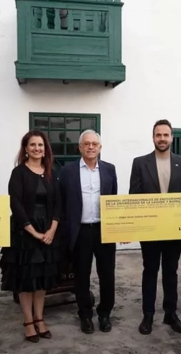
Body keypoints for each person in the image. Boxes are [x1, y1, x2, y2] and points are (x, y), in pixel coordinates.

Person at [129, 119, 181, 335]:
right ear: (153, 137)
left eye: (166, 135)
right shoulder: (140, 163)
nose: (162, 139)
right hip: (150, 230)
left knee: (171, 272)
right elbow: (134, 197)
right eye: (158, 135)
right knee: (150, 271)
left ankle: (170, 313)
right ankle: (148, 315)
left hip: (174, 230)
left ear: (171, 137)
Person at [0, 130, 61, 344]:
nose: (37, 149)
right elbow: (15, 204)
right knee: (27, 280)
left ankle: (39, 318)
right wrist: (34, 232)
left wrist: (52, 230)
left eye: (40, 145)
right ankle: (28, 322)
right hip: (25, 234)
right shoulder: (19, 173)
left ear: (45, 149)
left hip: (48, 232)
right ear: (26, 148)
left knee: (41, 280)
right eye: (32, 145)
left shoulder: (52, 171)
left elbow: (57, 204)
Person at [59, 130, 118, 334]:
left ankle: (104, 313)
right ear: (80, 147)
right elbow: (62, 202)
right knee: (81, 276)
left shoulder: (110, 170)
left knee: (107, 274)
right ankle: (85, 314)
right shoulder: (68, 171)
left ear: (100, 148)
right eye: (87, 144)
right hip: (80, 232)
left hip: (104, 230)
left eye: (95, 144)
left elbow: (113, 200)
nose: (91, 147)